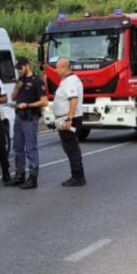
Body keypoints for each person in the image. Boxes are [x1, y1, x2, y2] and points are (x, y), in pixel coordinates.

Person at [7, 57, 49, 189]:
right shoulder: (20, 81)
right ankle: (20, 174)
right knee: (17, 148)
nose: (19, 71)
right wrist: (17, 88)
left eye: (21, 68)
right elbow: (13, 98)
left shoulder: (37, 81)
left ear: (27, 65)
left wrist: (28, 105)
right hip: (19, 117)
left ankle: (33, 177)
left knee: (30, 148)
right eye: (18, 69)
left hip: (30, 117)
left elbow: (44, 101)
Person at [51, 57, 86, 187]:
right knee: (71, 148)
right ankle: (77, 174)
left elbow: (73, 99)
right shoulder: (67, 80)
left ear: (65, 68)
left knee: (72, 148)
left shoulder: (70, 81)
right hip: (66, 117)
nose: (55, 70)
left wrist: (69, 118)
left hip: (69, 118)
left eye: (58, 67)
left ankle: (77, 176)